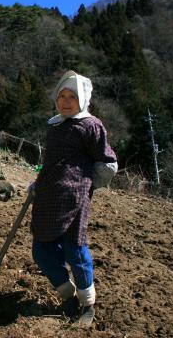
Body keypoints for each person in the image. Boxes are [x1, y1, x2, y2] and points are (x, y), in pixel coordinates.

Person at [28, 70, 118, 327]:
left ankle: (87, 305)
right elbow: (52, 163)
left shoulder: (91, 125)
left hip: (75, 199)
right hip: (47, 197)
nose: (66, 101)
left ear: (84, 98)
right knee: (42, 251)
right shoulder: (54, 125)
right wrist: (38, 184)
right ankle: (67, 294)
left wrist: (87, 185)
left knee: (75, 252)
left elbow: (108, 163)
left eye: (72, 96)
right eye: (62, 95)